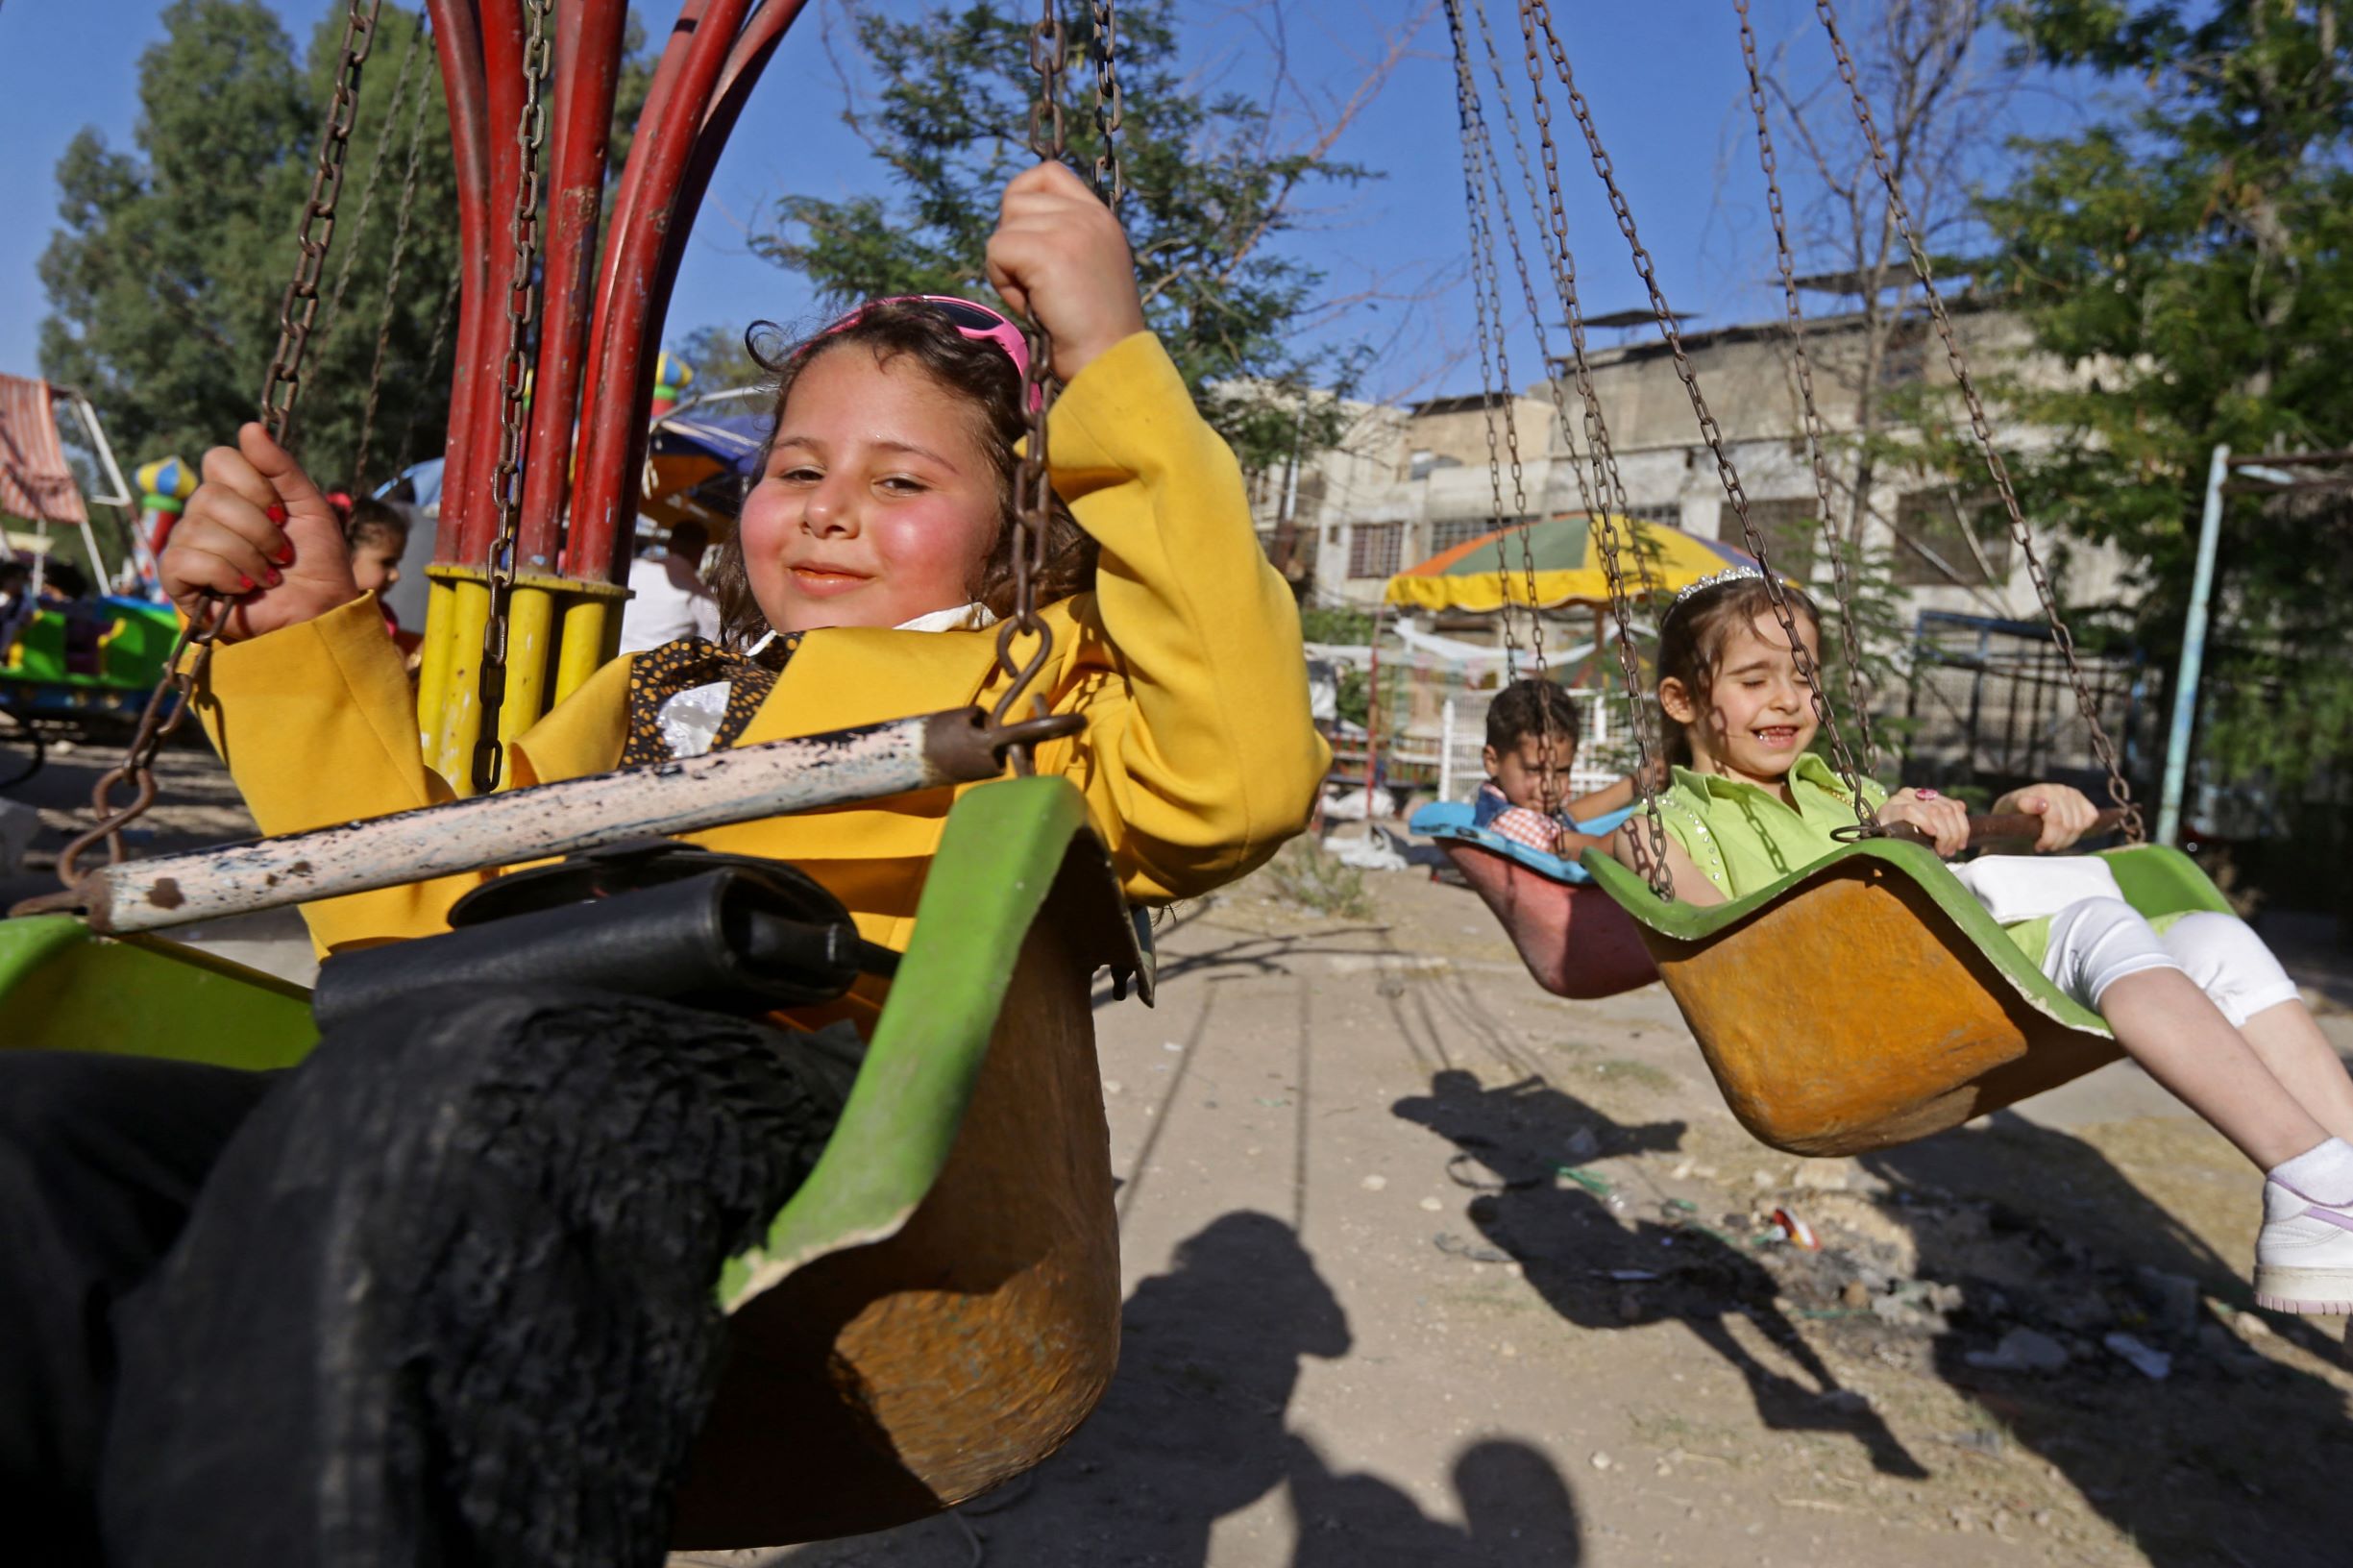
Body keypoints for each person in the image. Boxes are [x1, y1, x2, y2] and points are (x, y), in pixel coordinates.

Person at [7, 161, 1327, 1559]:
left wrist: (1110, 364)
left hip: (805, 1065)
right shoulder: (654, 694)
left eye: (903, 480)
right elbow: (425, 906)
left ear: (1025, 524)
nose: (825, 508)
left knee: (461, 1091)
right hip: (470, 1043)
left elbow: (1235, 781)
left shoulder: (1042, 686)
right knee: (46, 1142)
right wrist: (302, 635)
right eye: (799, 469)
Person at [1607, 566, 2353, 1315]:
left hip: (1937, 983)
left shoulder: (1849, 794)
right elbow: (1731, 947)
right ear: (1680, 700)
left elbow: (1949, 856)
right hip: (1840, 1031)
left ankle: (2342, 1187)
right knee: (2093, 924)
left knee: (2211, 937)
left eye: (1804, 676)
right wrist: (1867, 856)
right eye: (1753, 678)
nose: (1787, 699)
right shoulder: (1660, 827)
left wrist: (2011, 813)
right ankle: (2310, 1180)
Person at [1471, 676, 1645, 860]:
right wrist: (1654, 831)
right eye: (1534, 770)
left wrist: (1635, 784)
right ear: (1492, 762)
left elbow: (1571, 815)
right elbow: (1593, 849)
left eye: (1562, 771)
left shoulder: (1522, 805)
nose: (1550, 786)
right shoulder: (1509, 823)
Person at [617, 518, 723, 652]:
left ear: (669, 545)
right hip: (656, 668)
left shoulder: (634, 569)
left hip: (613, 662)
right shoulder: (698, 592)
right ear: (700, 552)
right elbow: (716, 638)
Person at [339, 493, 413, 646]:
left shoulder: (380, 618)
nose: (395, 575)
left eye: (396, 563)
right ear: (346, 555)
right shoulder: (317, 611)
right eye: (386, 563)